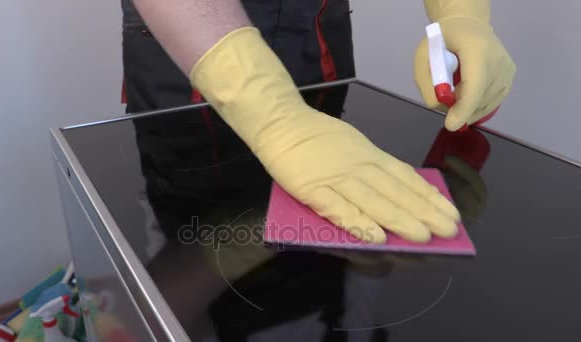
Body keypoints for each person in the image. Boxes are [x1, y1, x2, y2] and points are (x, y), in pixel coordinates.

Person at [120, 0, 516, 244]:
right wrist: (277, 119)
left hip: (317, 45)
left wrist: (462, 14)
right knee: (197, 238)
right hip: (195, 61)